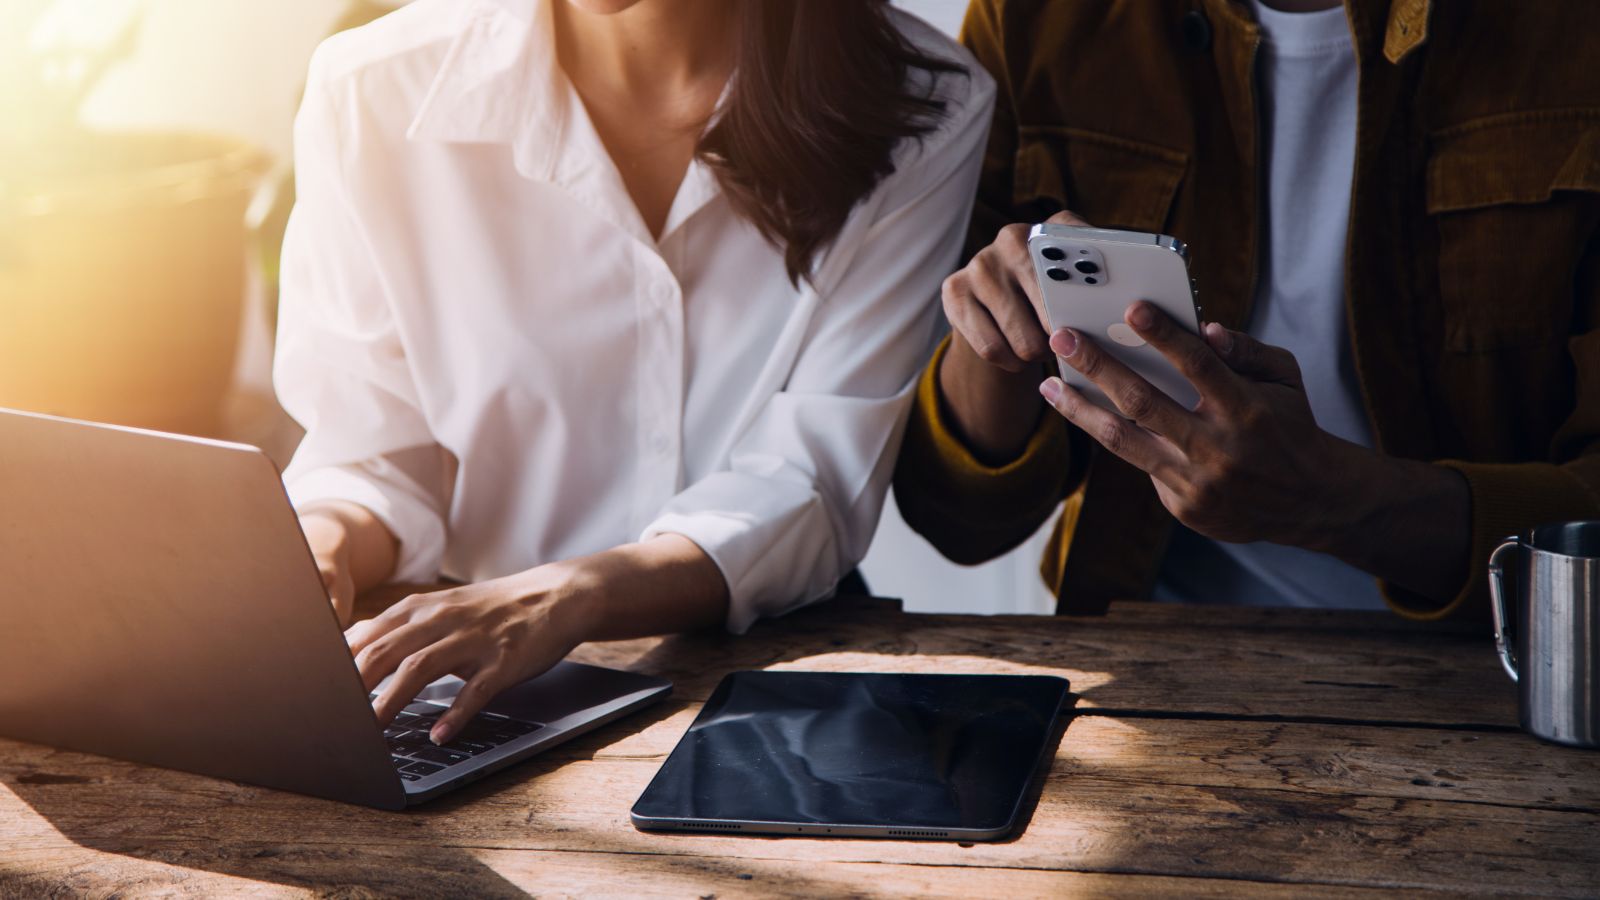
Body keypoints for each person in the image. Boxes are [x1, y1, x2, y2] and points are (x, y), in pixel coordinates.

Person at [276, 0, 994, 743]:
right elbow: (373, 450)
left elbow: (812, 482)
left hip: (766, 673)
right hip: (453, 672)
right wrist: (322, 543)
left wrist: (572, 595)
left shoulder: (924, 107)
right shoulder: (371, 88)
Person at [894, 0, 1600, 619]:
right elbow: (958, 521)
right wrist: (996, 342)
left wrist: (1341, 502)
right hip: (1153, 662)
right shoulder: (1034, 18)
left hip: (1504, 670)